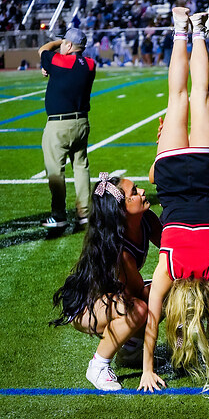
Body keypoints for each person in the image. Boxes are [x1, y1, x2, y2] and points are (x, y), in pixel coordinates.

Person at [138, 8, 209, 392]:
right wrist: (147, 368)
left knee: (196, 94)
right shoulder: (167, 268)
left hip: (204, 171)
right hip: (172, 173)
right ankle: (181, 28)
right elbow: (153, 319)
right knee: (180, 96)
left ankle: (197, 29)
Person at [50, 173, 162, 391]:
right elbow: (139, 292)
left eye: (137, 187)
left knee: (157, 296)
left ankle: (130, 351)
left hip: (113, 296)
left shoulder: (146, 218)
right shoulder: (119, 251)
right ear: (121, 210)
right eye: (134, 192)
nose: (142, 192)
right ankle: (98, 365)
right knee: (140, 307)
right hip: (85, 306)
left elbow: (170, 247)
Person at [38, 28, 96, 230]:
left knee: (55, 171)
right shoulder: (90, 64)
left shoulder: (59, 61)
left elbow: (43, 50)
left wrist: (57, 43)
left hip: (59, 125)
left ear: (69, 45)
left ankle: (58, 214)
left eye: (64, 43)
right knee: (81, 167)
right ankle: (85, 214)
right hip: (81, 123)